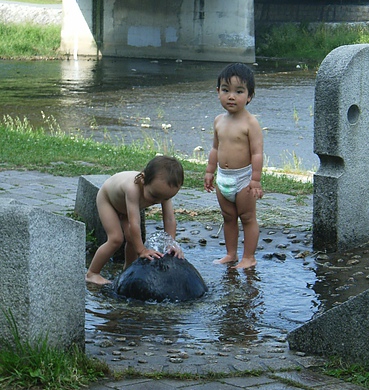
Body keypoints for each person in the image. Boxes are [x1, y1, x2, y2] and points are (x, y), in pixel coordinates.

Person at [86, 155, 184, 285]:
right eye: (154, 196)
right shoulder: (132, 189)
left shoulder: (162, 193)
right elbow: (134, 223)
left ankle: (128, 269)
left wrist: (170, 244)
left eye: (164, 199)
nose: (158, 202)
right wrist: (142, 250)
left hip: (125, 207)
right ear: (142, 179)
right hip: (108, 201)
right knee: (116, 239)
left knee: (132, 239)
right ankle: (92, 273)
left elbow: (170, 219)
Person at [204, 63, 264, 269]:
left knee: (247, 217)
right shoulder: (218, 121)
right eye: (225, 90)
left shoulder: (250, 123)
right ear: (218, 92)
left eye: (239, 91)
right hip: (223, 177)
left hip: (243, 179)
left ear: (249, 96)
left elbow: (257, 153)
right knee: (228, 217)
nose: (231, 96)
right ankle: (231, 253)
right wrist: (210, 171)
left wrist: (255, 180)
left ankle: (249, 257)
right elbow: (215, 148)